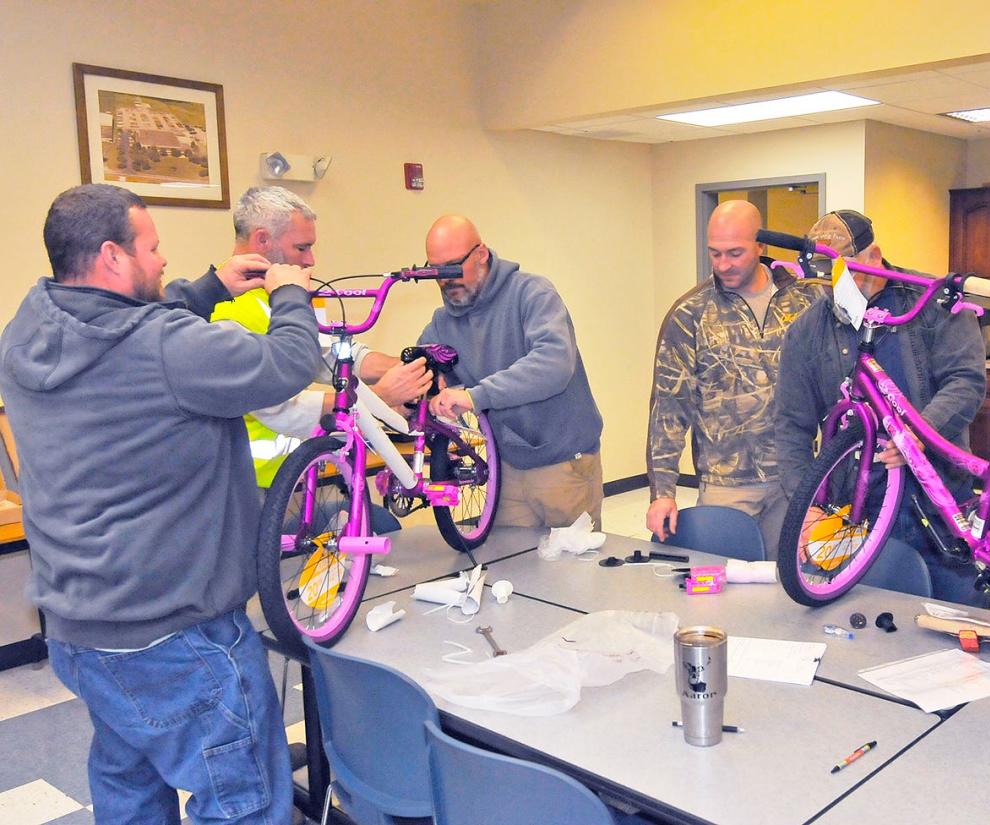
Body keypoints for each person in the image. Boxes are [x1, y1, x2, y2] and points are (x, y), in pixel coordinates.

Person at [0, 184, 322, 824]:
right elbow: (289, 361)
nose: (164, 261)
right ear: (113, 257)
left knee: (129, 789)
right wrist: (289, 293)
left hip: (81, 629)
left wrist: (211, 288)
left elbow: (120, 325)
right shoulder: (166, 346)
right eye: (151, 248)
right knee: (241, 802)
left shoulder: (27, 330)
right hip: (178, 637)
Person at [775, 209, 987, 603]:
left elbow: (966, 381)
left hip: (938, 505)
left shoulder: (933, 303)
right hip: (856, 508)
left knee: (960, 626)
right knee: (865, 628)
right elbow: (791, 426)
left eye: (845, 273)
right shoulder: (807, 331)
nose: (836, 289)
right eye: (826, 279)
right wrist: (805, 506)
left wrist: (919, 433)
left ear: (874, 256)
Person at [211, 186, 432, 498]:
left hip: (297, 476)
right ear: (262, 240)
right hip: (247, 488)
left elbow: (329, 353)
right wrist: (377, 396)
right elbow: (276, 408)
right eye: (302, 248)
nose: (311, 260)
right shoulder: (226, 311)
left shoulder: (287, 293)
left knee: (373, 525)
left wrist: (405, 368)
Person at [646, 199, 828, 558]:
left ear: (761, 246)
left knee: (792, 588)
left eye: (735, 253)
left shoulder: (807, 302)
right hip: (725, 486)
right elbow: (669, 407)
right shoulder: (691, 313)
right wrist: (662, 492)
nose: (723, 265)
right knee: (724, 593)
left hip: (794, 480)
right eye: (715, 254)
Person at [419, 214, 605, 528]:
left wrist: (476, 396)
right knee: (511, 566)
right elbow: (422, 370)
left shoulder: (532, 294)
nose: (444, 281)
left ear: (481, 254)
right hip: (504, 467)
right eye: (436, 272)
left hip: (562, 463)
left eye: (452, 268)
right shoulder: (443, 322)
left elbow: (553, 363)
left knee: (574, 571)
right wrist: (430, 406)